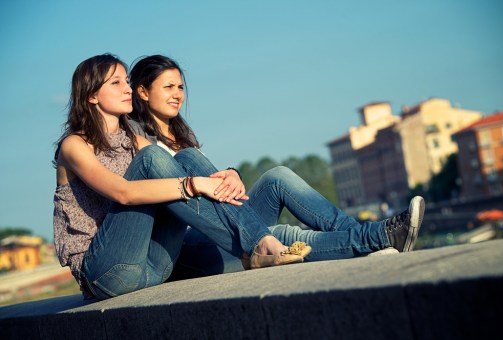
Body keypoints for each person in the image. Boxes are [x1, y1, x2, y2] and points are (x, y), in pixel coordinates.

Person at [127, 54, 425, 279]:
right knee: (282, 234)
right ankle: (378, 238)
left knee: (277, 178)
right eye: (168, 87)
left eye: (180, 86)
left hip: (226, 228)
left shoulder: (179, 137)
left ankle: (363, 235)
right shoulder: (141, 145)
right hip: (188, 249)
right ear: (142, 92)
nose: (178, 93)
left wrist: (232, 174)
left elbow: (214, 188)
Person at [53, 54, 311, 300]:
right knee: (153, 157)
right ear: (91, 96)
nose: (128, 89)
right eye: (116, 82)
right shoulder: (74, 146)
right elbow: (124, 193)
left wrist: (227, 177)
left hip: (155, 267)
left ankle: (257, 242)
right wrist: (196, 184)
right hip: (107, 273)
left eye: (127, 82)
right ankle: (258, 243)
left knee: (187, 157)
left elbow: (178, 169)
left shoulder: (133, 140)